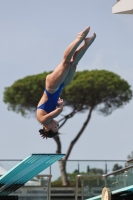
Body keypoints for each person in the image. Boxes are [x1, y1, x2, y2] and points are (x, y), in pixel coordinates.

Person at [36, 27, 96, 139]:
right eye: (57, 126)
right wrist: (58, 105)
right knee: (73, 65)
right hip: (60, 87)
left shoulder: (42, 119)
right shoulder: (48, 118)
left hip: (52, 86)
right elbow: (54, 109)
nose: (56, 124)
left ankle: (79, 38)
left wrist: (59, 108)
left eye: (54, 127)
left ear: (47, 128)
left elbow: (58, 111)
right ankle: (86, 44)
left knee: (66, 62)